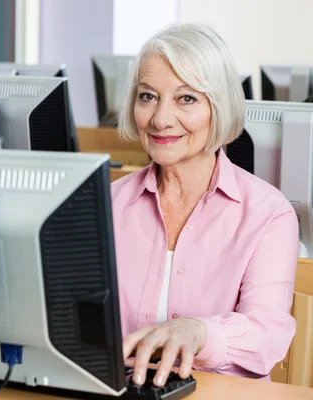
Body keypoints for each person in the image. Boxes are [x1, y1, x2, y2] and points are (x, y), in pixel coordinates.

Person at [112, 23, 298, 387]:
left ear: (220, 107)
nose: (161, 119)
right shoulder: (107, 204)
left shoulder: (268, 213)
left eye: (186, 98)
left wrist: (200, 333)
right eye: (148, 96)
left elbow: (267, 333)